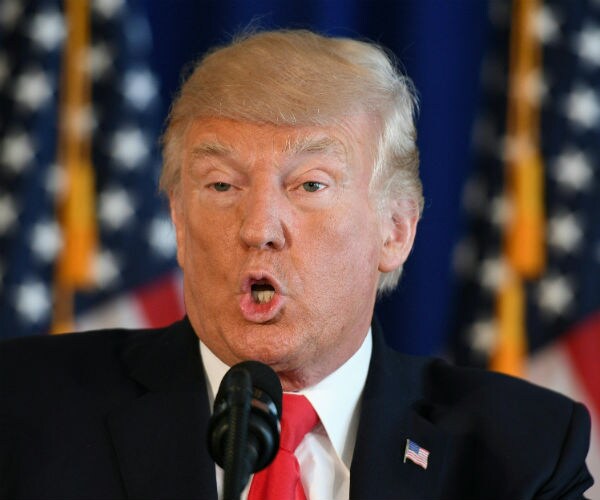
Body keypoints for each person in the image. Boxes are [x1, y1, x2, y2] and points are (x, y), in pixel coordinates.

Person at [0, 29, 593, 500]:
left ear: (396, 230)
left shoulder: (524, 452)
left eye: (309, 184)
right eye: (222, 184)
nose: (258, 228)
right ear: (179, 223)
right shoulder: (24, 412)